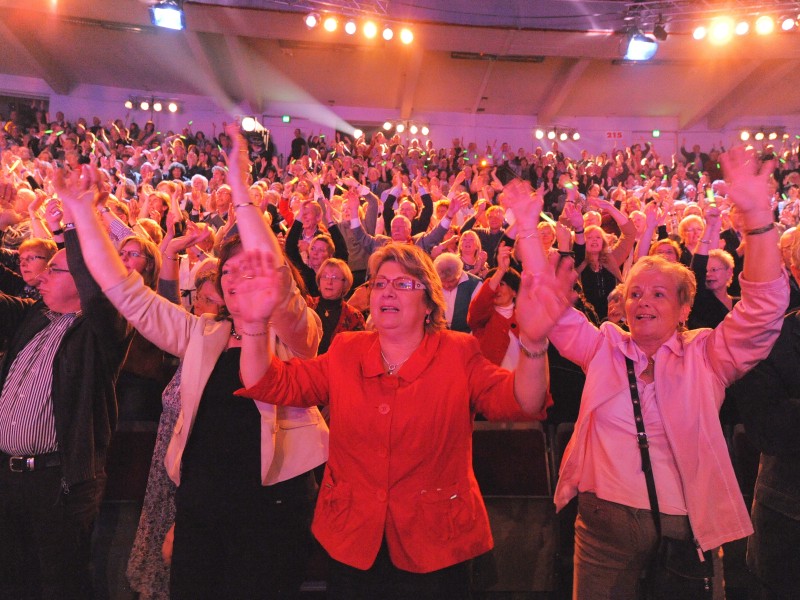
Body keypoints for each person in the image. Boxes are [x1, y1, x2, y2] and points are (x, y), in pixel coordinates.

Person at [55, 127, 329, 599]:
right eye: (227, 270)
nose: (238, 275)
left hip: (274, 505)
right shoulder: (203, 333)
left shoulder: (296, 332)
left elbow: (276, 273)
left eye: (251, 268)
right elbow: (127, 294)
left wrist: (240, 183)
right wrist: (81, 211)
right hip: (202, 502)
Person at [234, 218, 574, 598]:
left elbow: (523, 401)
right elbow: (269, 381)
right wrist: (253, 324)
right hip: (352, 539)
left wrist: (534, 342)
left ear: (430, 302)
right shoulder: (347, 349)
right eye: (379, 283)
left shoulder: (458, 352)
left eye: (403, 283)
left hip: (436, 546)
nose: (386, 292)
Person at [538, 146, 788, 600]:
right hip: (601, 529)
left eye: (658, 294)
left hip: (683, 531)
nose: (643, 302)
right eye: (635, 293)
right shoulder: (604, 346)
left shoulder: (707, 355)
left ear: (684, 308)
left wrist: (757, 218)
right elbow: (552, 310)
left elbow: (765, 308)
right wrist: (554, 240)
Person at [0, 218, 132, 597]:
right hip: (10, 477)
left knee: (61, 585)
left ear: (83, 281)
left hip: (59, 483)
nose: (41, 276)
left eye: (54, 270)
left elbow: (101, 297)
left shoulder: (102, 332)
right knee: (12, 582)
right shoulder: (34, 316)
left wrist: (72, 227)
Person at [308, 257, 365, 355]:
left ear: (345, 283)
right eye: (325, 276)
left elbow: (358, 353)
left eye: (335, 278)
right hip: (306, 367)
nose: (329, 282)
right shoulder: (307, 305)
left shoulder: (354, 316)